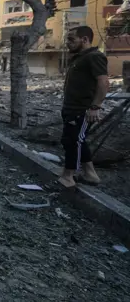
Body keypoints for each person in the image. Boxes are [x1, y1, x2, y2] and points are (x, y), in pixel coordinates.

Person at [59, 26, 108, 188]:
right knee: (76, 140)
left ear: (85, 39)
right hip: (71, 109)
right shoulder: (80, 58)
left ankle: (68, 176)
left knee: (73, 141)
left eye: (72, 39)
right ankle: (90, 174)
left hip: (82, 110)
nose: (68, 43)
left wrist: (95, 107)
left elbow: (103, 82)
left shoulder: (94, 57)